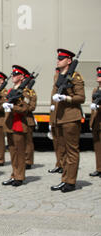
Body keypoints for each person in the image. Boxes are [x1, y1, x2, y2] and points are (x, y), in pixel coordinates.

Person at [50, 48, 85, 193]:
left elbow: (81, 98)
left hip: (71, 118)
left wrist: (66, 98)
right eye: (58, 58)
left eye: (61, 58)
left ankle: (71, 182)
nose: (58, 60)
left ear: (69, 61)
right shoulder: (57, 76)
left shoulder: (75, 77)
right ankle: (64, 179)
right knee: (62, 151)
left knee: (71, 151)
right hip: (58, 118)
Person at [2, 65, 31, 187]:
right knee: (13, 152)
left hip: (19, 123)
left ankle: (20, 176)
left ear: (22, 77)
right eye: (12, 74)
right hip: (9, 123)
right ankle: (14, 174)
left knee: (19, 152)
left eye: (15, 75)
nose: (13, 77)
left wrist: (14, 107)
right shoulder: (10, 90)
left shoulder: (25, 91)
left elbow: (26, 108)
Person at [89, 67, 101, 177]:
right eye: (98, 75)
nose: (98, 77)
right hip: (96, 122)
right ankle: (99, 168)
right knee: (97, 148)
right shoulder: (95, 90)